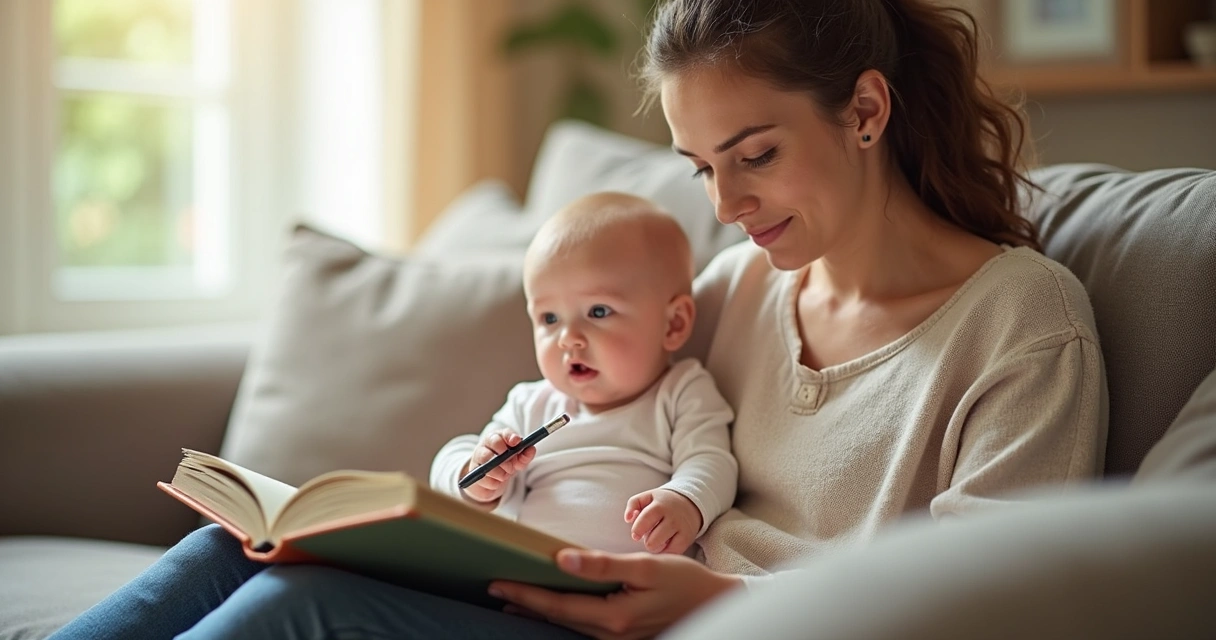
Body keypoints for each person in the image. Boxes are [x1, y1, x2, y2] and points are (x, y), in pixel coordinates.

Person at [50, 1, 1109, 638]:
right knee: (232, 554)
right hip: (590, 597)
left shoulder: (1022, 321)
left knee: (294, 613)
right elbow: (586, 400)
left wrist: (714, 600)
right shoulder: (740, 288)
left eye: (755, 155)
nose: (727, 206)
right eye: (702, 168)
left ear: (866, 111)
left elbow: (994, 607)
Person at [430, 191, 737, 555]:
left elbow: (712, 461)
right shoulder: (530, 404)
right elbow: (451, 470)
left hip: (635, 576)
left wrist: (684, 500)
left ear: (674, 324)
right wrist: (476, 475)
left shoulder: (682, 391)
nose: (568, 338)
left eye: (598, 312)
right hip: (531, 573)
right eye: (549, 318)